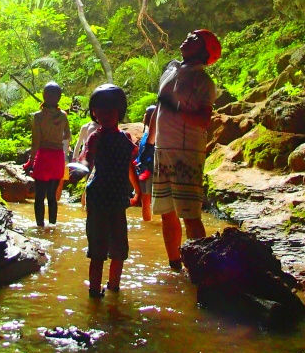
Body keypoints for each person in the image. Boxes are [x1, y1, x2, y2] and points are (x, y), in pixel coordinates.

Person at [149, 29, 221, 270]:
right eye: (187, 35)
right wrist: (149, 143)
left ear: (202, 51)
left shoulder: (204, 82)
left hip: (186, 152)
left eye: (193, 39)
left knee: (190, 214)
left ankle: (201, 268)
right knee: (166, 211)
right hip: (163, 148)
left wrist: (178, 110)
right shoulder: (170, 69)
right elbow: (160, 107)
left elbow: (204, 120)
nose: (186, 39)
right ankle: (174, 264)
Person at [81, 83, 140, 298]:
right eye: (100, 110)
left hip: (117, 200)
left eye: (110, 110)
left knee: (119, 250)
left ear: (119, 112)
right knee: (97, 251)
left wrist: (138, 190)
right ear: (94, 112)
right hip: (98, 199)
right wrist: (80, 170)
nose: (105, 115)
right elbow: (87, 161)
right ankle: (94, 291)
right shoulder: (95, 137)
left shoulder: (126, 140)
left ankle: (114, 286)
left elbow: (129, 166)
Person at [23, 82, 71, 227]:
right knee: (52, 196)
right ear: (59, 97)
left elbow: (35, 141)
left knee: (39, 197)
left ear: (44, 96)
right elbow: (67, 135)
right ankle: (52, 226)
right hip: (57, 158)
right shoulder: (63, 116)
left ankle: (39, 226)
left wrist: (31, 161)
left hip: (44, 157)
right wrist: (56, 138)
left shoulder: (38, 116)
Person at [134, 104, 157, 221]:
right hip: (146, 169)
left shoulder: (152, 134)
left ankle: (148, 222)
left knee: (146, 200)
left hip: (149, 170)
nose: (144, 116)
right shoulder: (147, 133)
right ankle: (150, 223)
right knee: (147, 200)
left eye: (146, 114)